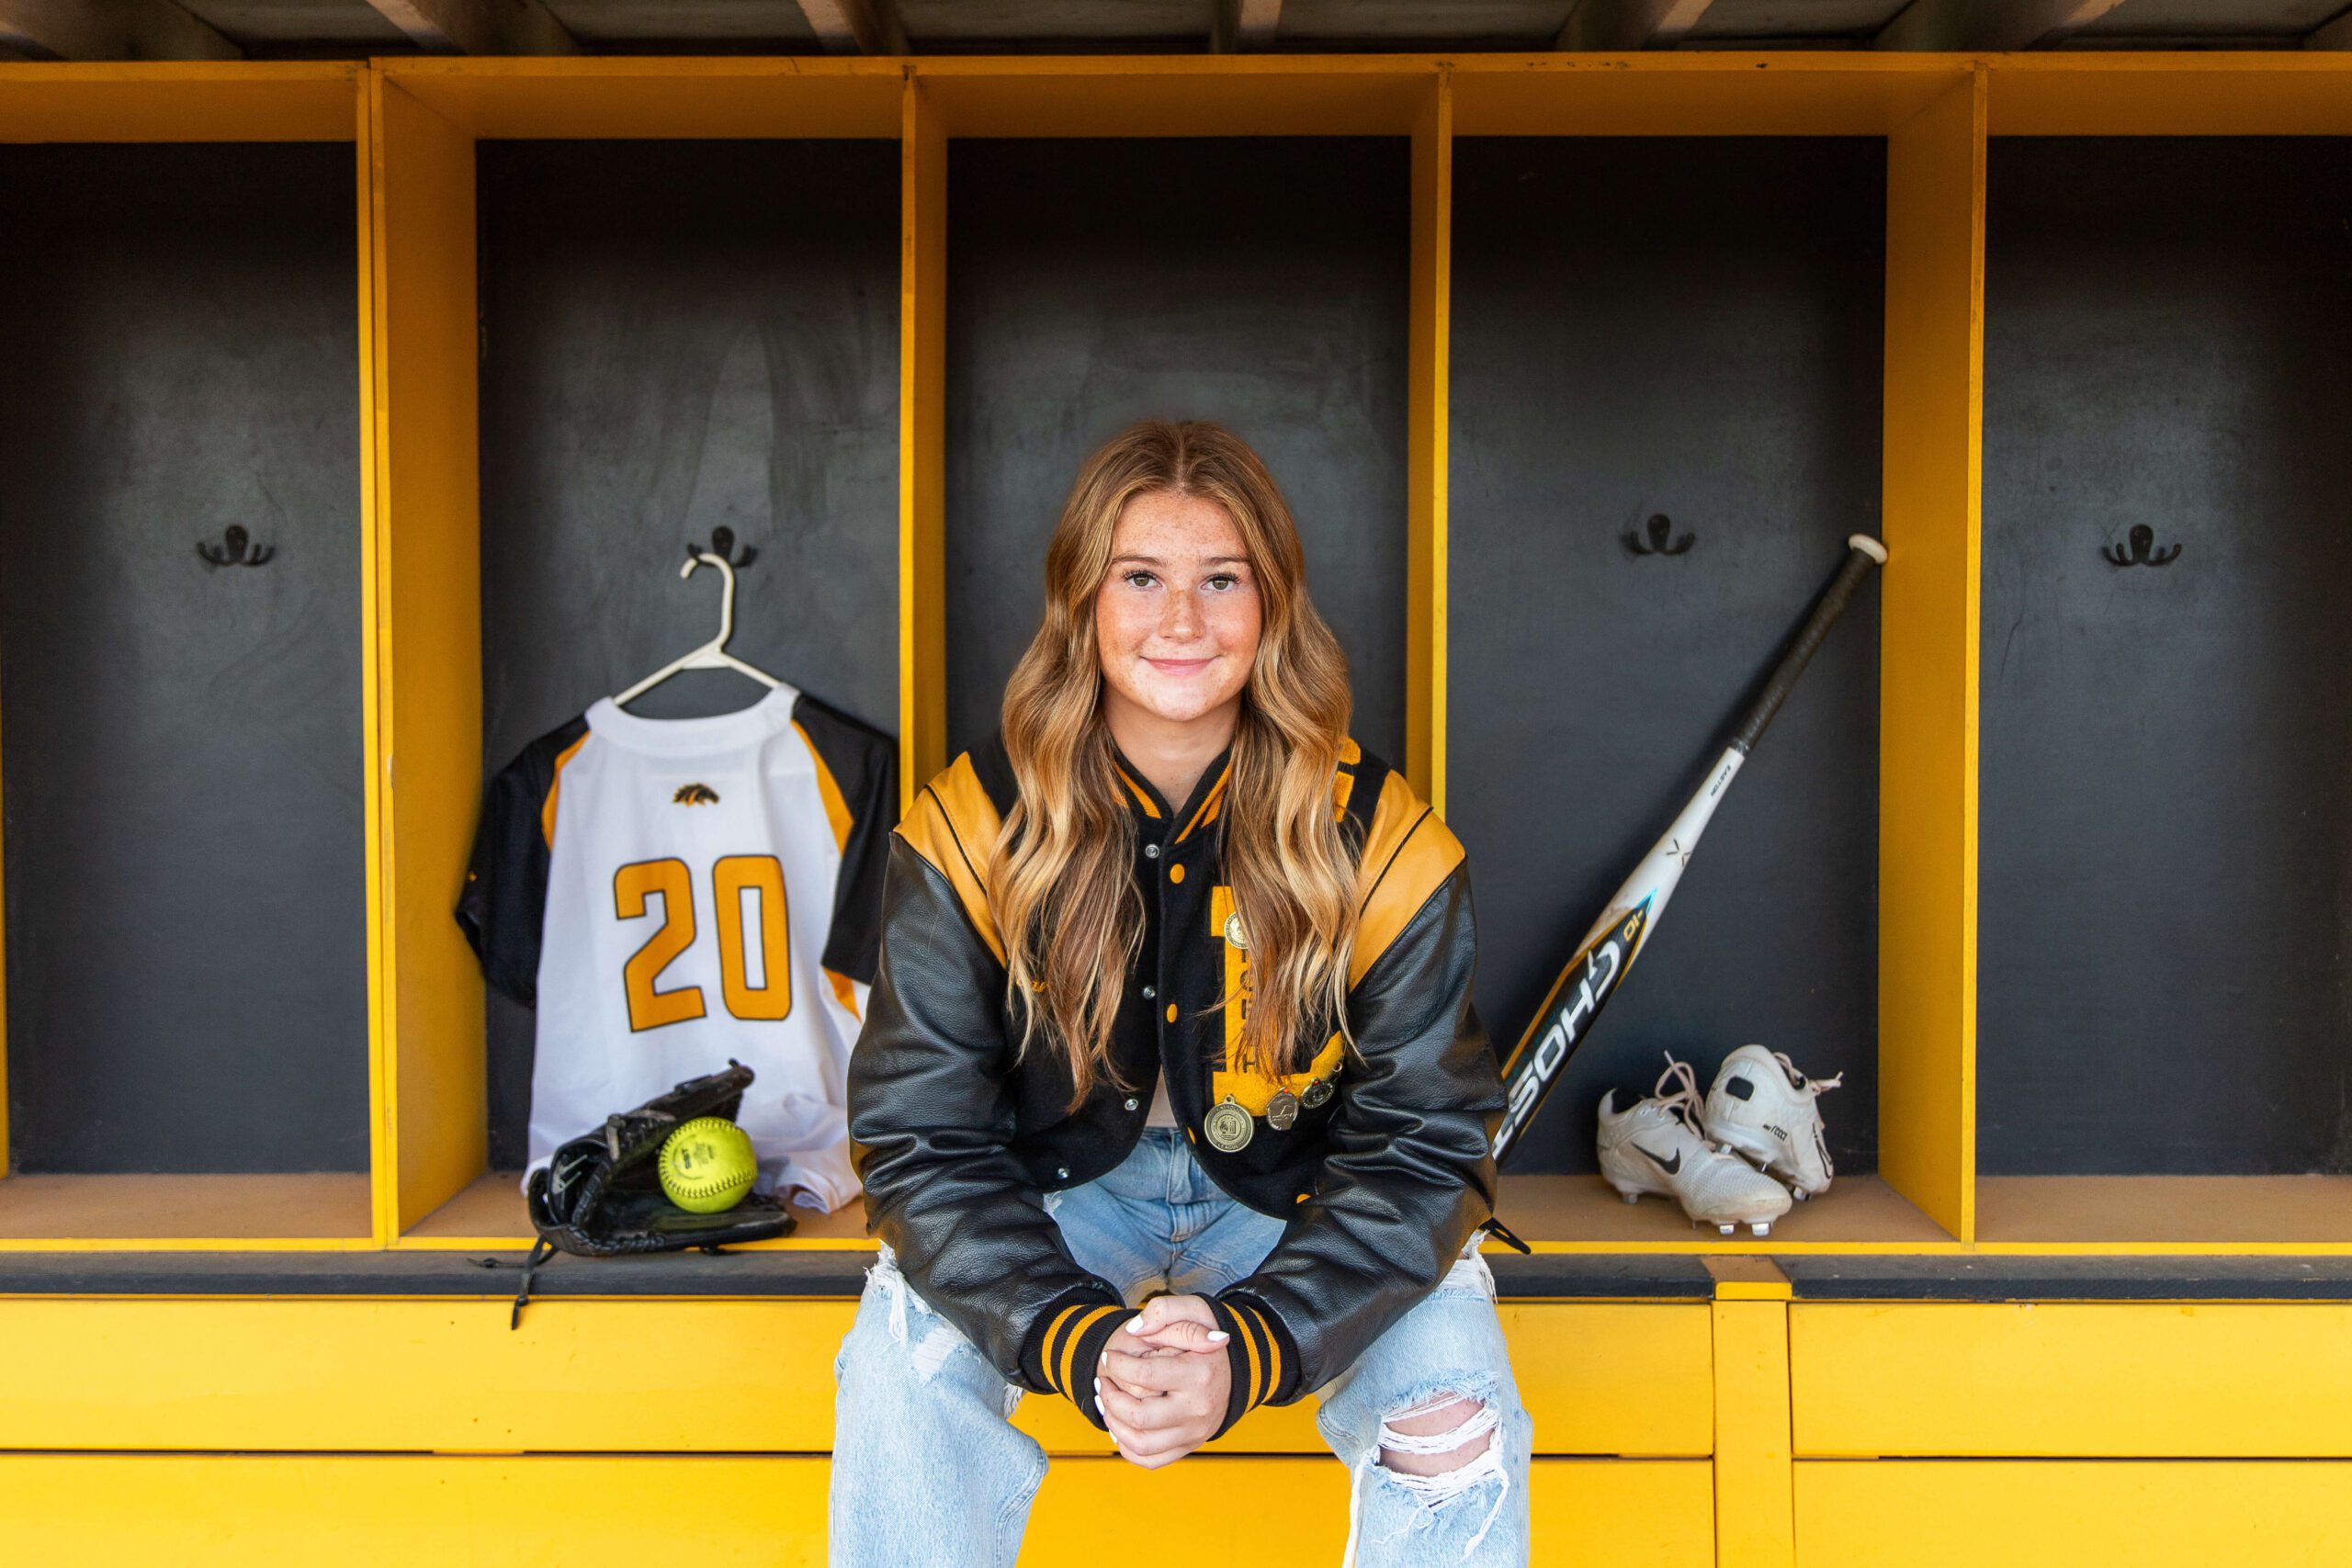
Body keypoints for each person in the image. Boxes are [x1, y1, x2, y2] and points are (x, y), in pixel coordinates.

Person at [829, 419, 1528, 1565]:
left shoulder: (1377, 832)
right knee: (904, 1367)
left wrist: (1252, 1345)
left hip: (1298, 1198)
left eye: (1222, 581)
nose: (1182, 621)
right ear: (1081, 602)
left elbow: (1426, 1141)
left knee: (1451, 1423)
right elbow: (919, 1138)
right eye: (1140, 577)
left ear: (1273, 607)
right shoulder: (969, 823)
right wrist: (1070, 1338)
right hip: (1060, 1194)